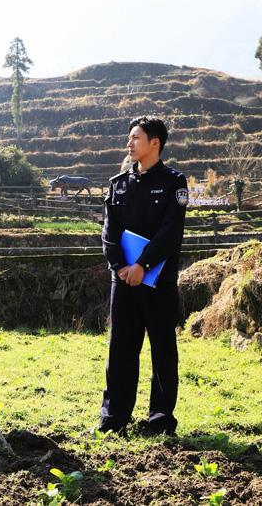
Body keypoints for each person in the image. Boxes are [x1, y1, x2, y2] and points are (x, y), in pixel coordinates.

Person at [97, 117, 188, 436]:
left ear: (155, 143)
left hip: (158, 281)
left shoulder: (174, 182)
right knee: (120, 348)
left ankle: (160, 419)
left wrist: (143, 266)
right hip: (122, 281)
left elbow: (170, 231)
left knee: (163, 348)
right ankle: (114, 418)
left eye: (136, 138)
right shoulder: (118, 183)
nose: (129, 143)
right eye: (129, 138)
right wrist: (121, 266)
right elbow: (109, 231)